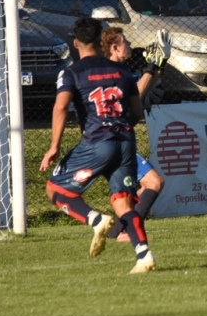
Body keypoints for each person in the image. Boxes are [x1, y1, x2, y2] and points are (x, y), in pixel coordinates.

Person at [39, 17, 155, 274]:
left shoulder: (72, 72)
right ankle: (144, 255)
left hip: (96, 144)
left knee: (54, 190)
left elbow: (60, 107)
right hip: (125, 141)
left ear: (76, 42)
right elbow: (136, 113)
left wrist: (54, 146)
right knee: (124, 205)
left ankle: (95, 219)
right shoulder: (123, 71)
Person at [101, 26, 170, 242]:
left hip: (118, 140)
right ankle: (127, 232)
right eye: (126, 42)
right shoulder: (110, 72)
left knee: (133, 194)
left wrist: (162, 61)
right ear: (114, 48)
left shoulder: (121, 71)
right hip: (111, 140)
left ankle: (114, 233)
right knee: (154, 183)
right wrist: (151, 66)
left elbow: (144, 86)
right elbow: (137, 94)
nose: (130, 44)